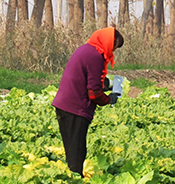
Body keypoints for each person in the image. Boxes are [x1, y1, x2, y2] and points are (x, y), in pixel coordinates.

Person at [52, 27, 124, 175]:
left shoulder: (87, 49)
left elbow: (87, 79)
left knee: (72, 150)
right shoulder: (95, 56)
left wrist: (103, 83)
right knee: (77, 154)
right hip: (75, 109)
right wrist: (109, 99)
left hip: (64, 106)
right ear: (108, 42)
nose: (113, 52)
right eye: (113, 47)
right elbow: (94, 94)